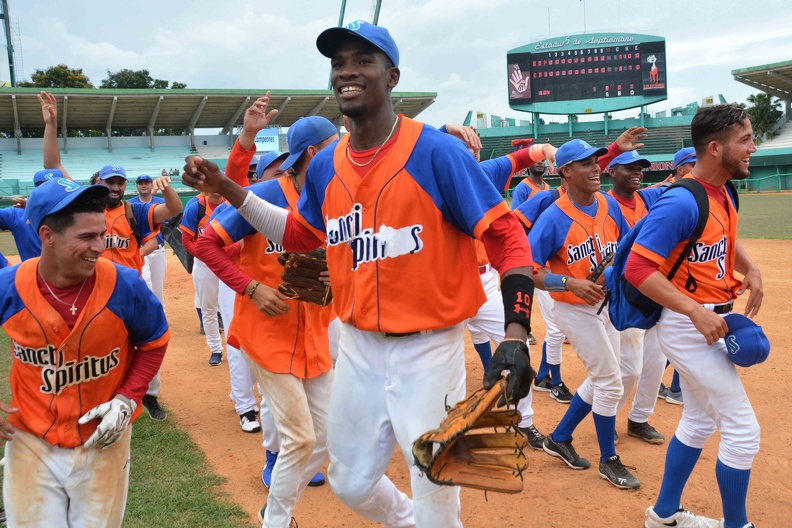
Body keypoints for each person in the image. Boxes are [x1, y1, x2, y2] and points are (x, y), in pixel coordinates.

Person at [182, 21, 536, 528]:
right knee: (348, 480)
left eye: (362, 60)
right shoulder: (326, 165)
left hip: (428, 349)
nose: (347, 70)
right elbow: (301, 235)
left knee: (437, 485)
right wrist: (231, 189)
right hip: (356, 347)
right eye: (338, 62)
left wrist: (516, 333)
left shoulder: (436, 151)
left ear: (391, 76)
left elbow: (505, 237)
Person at [0, 178, 169, 527]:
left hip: (104, 440)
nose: (100, 246)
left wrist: (127, 398)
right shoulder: (10, 287)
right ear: (47, 236)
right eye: (86, 237)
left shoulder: (125, 284)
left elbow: (154, 341)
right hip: (30, 439)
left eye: (101, 234)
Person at [196, 115, 338, 526]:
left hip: (315, 329)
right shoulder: (264, 193)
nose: (343, 150)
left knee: (325, 437)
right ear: (313, 152)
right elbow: (206, 243)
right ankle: (275, 519)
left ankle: (271, 507)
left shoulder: (336, 198)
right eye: (334, 143)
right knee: (302, 436)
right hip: (267, 331)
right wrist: (251, 288)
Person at [628, 104, 762, 528]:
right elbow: (637, 268)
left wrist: (751, 268)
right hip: (689, 325)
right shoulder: (681, 201)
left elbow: (722, 237)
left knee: (699, 418)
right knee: (742, 431)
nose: (753, 148)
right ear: (714, 147)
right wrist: (692, 312)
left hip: (711, 319)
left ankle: (664, 514)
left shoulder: (723, 191)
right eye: (745, 140)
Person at [39, 91, 182, 421]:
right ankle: (98, 396)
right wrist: (51, 125)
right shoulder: (82, 204)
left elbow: (173, 209)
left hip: (128, 288)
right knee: (95, 347)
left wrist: (167, 187)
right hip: (90, 288)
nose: (115, 186)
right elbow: (52, 165)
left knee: (146, 339)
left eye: (120, 181)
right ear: (98, 181)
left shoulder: (135, 211)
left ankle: (150, 396)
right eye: (110, 181)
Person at [529, 138, 639, 490]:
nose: (596, 167)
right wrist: (568, 283)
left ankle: (560, 436)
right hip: (574, 309)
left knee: (618, 371)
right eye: (585, 163)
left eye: (596, 161)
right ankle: (609, 460)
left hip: (607, 304)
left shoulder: (608, 204)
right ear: (565, 172)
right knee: (609, 381)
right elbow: (525, 269)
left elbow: (625, 249)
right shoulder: (553, 217)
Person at [605, 151, 667, 445]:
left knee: (657, 360)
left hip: (655, 287)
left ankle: (639, 418)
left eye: (641, 167)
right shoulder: (604, 204)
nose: (637, 172)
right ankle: (606, 417)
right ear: (612, 172)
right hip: (626, 292)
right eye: (629, 168)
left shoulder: (646, 199)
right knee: (630, 367)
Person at [181, 191, 227, 366]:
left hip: (227, 262)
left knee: (230, 307)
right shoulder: (197, 207)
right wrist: (204, 255)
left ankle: (234, 348)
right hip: (204, 264)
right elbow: (187, 240)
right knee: (209, 308)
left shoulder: (230, 205)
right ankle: (215, 349)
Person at [0, 169, 56, 262]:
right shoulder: (18, 212)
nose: (48, 191)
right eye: (43, 186)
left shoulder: (75, 212)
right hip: (32, 274)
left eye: (54, 186)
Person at [129, 174, 167, 307]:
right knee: (145, 281)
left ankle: (160, 315)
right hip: (140, 250)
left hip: (158, 250)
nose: (143, 185)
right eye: (141, 183)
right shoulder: (131, 204)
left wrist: (158, 239)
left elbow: (168, 226)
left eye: (146, 183)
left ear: (151, 185)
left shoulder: (161, 202)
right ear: (137, 186)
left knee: (158, 285)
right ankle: (148, 312)